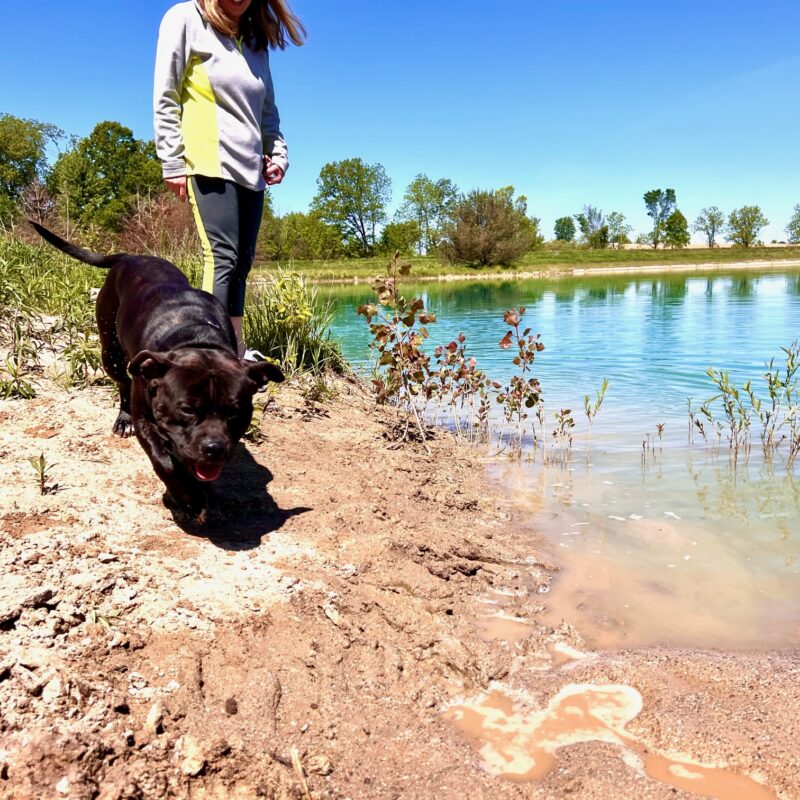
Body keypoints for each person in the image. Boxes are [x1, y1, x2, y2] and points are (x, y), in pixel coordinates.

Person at [153, 0, 305, 360]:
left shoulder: (255, 40)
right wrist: (172, 161)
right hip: (207, 161)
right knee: (221, 258)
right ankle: (209, 355)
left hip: (251, 169)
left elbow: (268, 112)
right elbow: (166, 96)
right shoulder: (185, 19)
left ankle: (234, 350)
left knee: (242, 263)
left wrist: (279, 156)